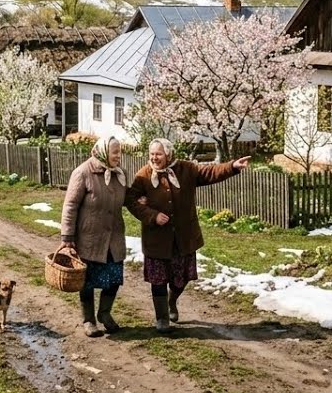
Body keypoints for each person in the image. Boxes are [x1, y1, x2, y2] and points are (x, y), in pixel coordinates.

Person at [128, 138, 250, 333]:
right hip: (157, 239)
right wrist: (152, 215)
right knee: (158, 279)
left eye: (158, 154)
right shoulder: (143, 175)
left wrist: (232, 166)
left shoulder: (185, 169)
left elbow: (210, 172)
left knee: (181, 278)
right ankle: (162, 319)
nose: (154, 158)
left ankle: (172, 300)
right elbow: (131, 200)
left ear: (168, 154)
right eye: (152, 154)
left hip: (183, 236)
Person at [59, 136, 134, 337]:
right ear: (102, 152)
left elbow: (127, 199)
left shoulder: (121, 174)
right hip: (89, 237)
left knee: (114, 278)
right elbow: (70, 205)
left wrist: (144, 204)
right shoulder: (83, 172)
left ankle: (105, 314)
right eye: (115, 152)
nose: (119, 156)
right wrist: (67, 236)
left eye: (120, 152)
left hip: (114, 236)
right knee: (88, 281)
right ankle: (88, 320)